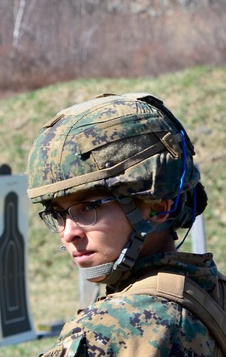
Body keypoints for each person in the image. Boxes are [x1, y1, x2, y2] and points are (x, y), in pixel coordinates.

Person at [25, 93, 226, 356]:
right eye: (58, 214)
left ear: (157, 206)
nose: (69, 233)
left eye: (89, 208)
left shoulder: (111, 328)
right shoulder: (212, 291)